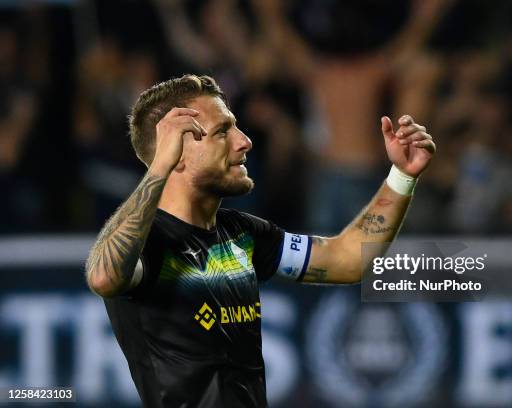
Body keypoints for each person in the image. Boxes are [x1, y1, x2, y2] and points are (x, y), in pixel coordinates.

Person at [85, 74, 435, 408]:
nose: (244, 141)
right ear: (177, 151)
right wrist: (158, 167)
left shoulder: (243, 235)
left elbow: (347, 260)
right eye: (223, 131)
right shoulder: (149, 242)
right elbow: (104, 276)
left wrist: (401, 176)